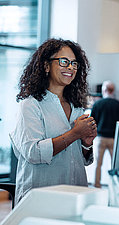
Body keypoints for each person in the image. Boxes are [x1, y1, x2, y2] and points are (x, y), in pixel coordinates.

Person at [9, 38, 96, 204]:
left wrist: (86, 143)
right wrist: (75, 133)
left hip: (75, 195)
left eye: (74, 63)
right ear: (46, 66)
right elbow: (33, 152)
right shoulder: (31, 105)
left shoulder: (76, 107)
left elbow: (81, 160)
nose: (70, 67)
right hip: (41, 198)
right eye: (64, 62)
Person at [90, 80, 119, 188]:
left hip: (100, 138)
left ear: (104, 90)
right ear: (113, 91)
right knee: (115, 164)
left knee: (98, 164)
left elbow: (92, 121)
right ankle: (115, 185)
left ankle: (96, 185)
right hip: (114, 139)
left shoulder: (98, 104)